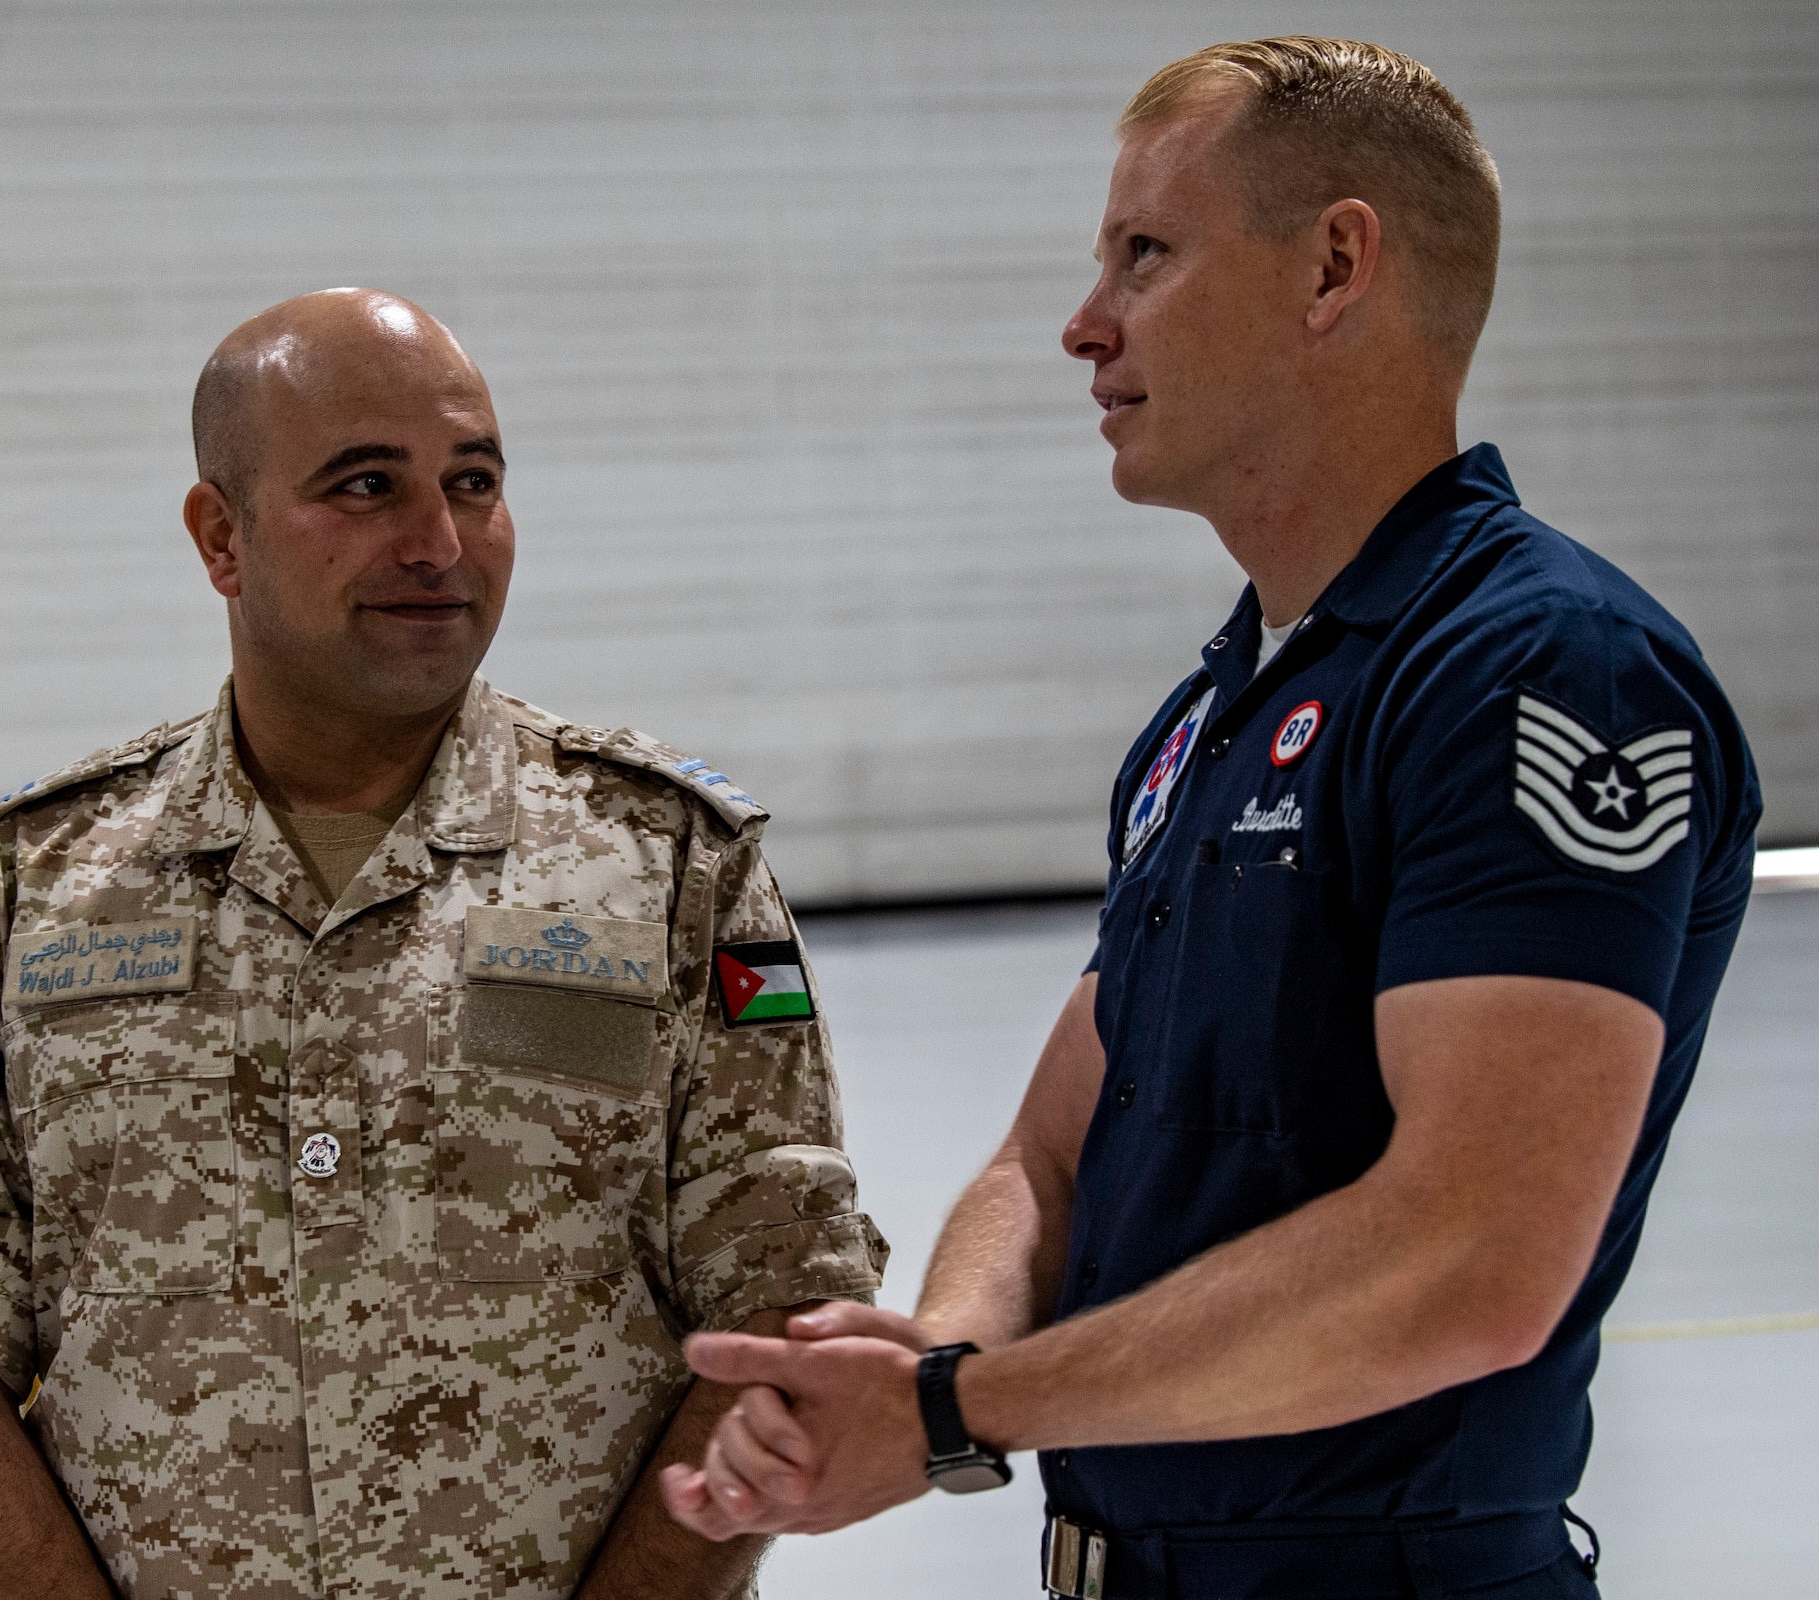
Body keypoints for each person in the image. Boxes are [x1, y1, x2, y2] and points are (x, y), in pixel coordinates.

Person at [660, 37, 1762, 1599]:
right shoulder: (1211, 723)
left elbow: (1476, 1261)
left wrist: (959, 1409)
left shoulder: (1540, 673)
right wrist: (933, 1359)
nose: (1082, 324)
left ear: (1333, 269)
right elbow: (1048, 1157)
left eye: (1145, 255)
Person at [0, 288, 887, 1600]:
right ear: (218, 537)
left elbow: (782, 1304)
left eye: (475, 480)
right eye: (364, 486)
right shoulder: (25, 891)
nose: (439, 541)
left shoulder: (674, 869)